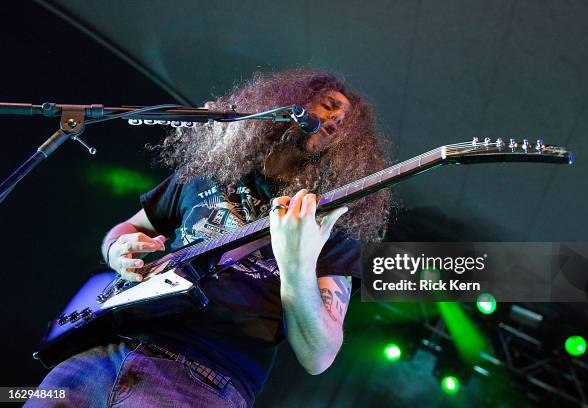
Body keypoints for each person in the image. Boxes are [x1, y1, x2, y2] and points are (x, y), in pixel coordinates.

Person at [27, 70, 390, 408]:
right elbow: (125, 230)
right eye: (327, 107)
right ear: (284, 102)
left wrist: (296, 267)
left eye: (344, 124)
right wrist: (116, 251)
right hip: (99, 352)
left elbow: (319, 356)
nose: (334, 121)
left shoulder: (327, 220)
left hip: (202, 380)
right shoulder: (208, 174)